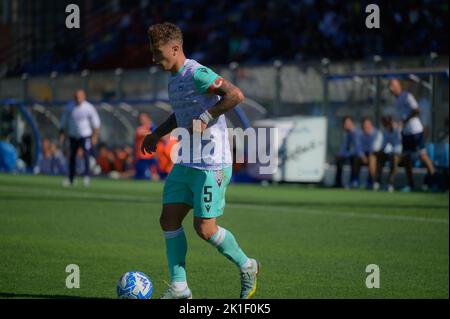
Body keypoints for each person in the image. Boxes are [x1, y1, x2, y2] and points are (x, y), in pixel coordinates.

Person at [141, 23, 259, 299]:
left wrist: (206, 118)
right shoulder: (173, 79)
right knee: (168, 219)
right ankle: (180, 287)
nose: (155, 59)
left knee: (205, 229)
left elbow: (235, 95)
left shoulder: (197, 73)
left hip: (212, 163)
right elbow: (181, 115)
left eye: (158, 53)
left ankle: (247, 265)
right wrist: (157, 134)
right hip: (186, 161)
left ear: (175, 48)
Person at [389, 79, 436, 192]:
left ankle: (434, 182)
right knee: (406, 159)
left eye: (393, 85)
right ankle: (411, 185)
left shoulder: (407, 96)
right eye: (390, 86)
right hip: (406, 133)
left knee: (423, 156)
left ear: (400, 86)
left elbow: (416, 110)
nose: (391, 88)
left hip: (415, 131)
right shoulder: (396, 100)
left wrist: (405, 120)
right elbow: (401, 117)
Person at [60, 89, 101, 187]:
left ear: (84, 97)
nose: (78, 99)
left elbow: (96, 123)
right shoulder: (69, 107)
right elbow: (64, 122)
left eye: (80, 97)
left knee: (86, 155)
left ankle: (86, 178)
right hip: (73, 136)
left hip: (85, 135)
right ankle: (71, 179)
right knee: (72, 156)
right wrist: (62, 134)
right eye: (76, 97)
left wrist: (95, 136)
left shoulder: (88, 108)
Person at [334, 116, 364, 188]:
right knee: (339, 160)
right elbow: (344, 147)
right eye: (345, 123)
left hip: (358, 155)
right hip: (349, 154)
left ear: (351, 123)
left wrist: (346, 154)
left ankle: (354, 181)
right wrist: (340, 154)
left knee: (355, 159)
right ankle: (338, 183)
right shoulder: (346, 134)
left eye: (347, 123)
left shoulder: (357, 133)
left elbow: (357, 148)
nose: (346, 125)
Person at [375, 116, 402, 192]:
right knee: (380, 157)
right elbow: (384, 145)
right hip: (391, 153)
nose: (386, 126)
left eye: (387, 123)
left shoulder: (398, 130)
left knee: (394, 159)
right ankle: (377, 181)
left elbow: (399, 145)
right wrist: (379, 152)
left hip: (401, 153)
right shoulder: (386, 132)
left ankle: (390, 183)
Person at [358, 117, 383, 190]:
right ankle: (355, 180)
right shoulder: (361, 134)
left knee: (372, 159)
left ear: (371, 125)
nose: (366, 127)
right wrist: (362, 156)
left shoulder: (377, 133)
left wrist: (368, 156)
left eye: (367, 125)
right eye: (364, 125)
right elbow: (359, 148)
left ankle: (374, 181)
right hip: (366, 153)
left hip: (377, 154)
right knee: (357, 159)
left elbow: (375, 147)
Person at [134, 112, 159, 180]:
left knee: (152, 176)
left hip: (150, 158)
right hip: (141, 158)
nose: (142, 120)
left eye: (144, 118)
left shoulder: (152, 127)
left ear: (148, 118)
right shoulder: (140, 129)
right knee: (140, 177)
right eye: (141, 118)